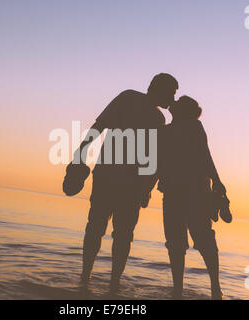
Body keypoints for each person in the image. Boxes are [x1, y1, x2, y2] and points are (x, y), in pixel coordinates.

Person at [67, 73, 179, 293]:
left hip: (123, 181)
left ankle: (93, 279)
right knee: (115, 232)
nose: (173, 99)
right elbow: (100, 125)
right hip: (116, 178)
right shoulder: (129, 98)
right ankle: (103, 280)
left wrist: (147, 188)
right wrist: (81, 151)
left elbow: (151, 155)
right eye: (172, 93)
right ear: (159, 89)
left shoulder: (159, 119)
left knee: (103, 229)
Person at [153, 95, 227, 299]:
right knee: (188, 242)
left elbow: (205, 155)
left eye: (178, 102)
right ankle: (199, 289)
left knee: (193, 242)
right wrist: (217, 181)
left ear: (182, 110)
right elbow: (159, 162)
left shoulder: (193, 127)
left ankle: (209, 288)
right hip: (182, 192)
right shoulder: (169, 131)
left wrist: (218, 181)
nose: (173, 102)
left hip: (189, 193)